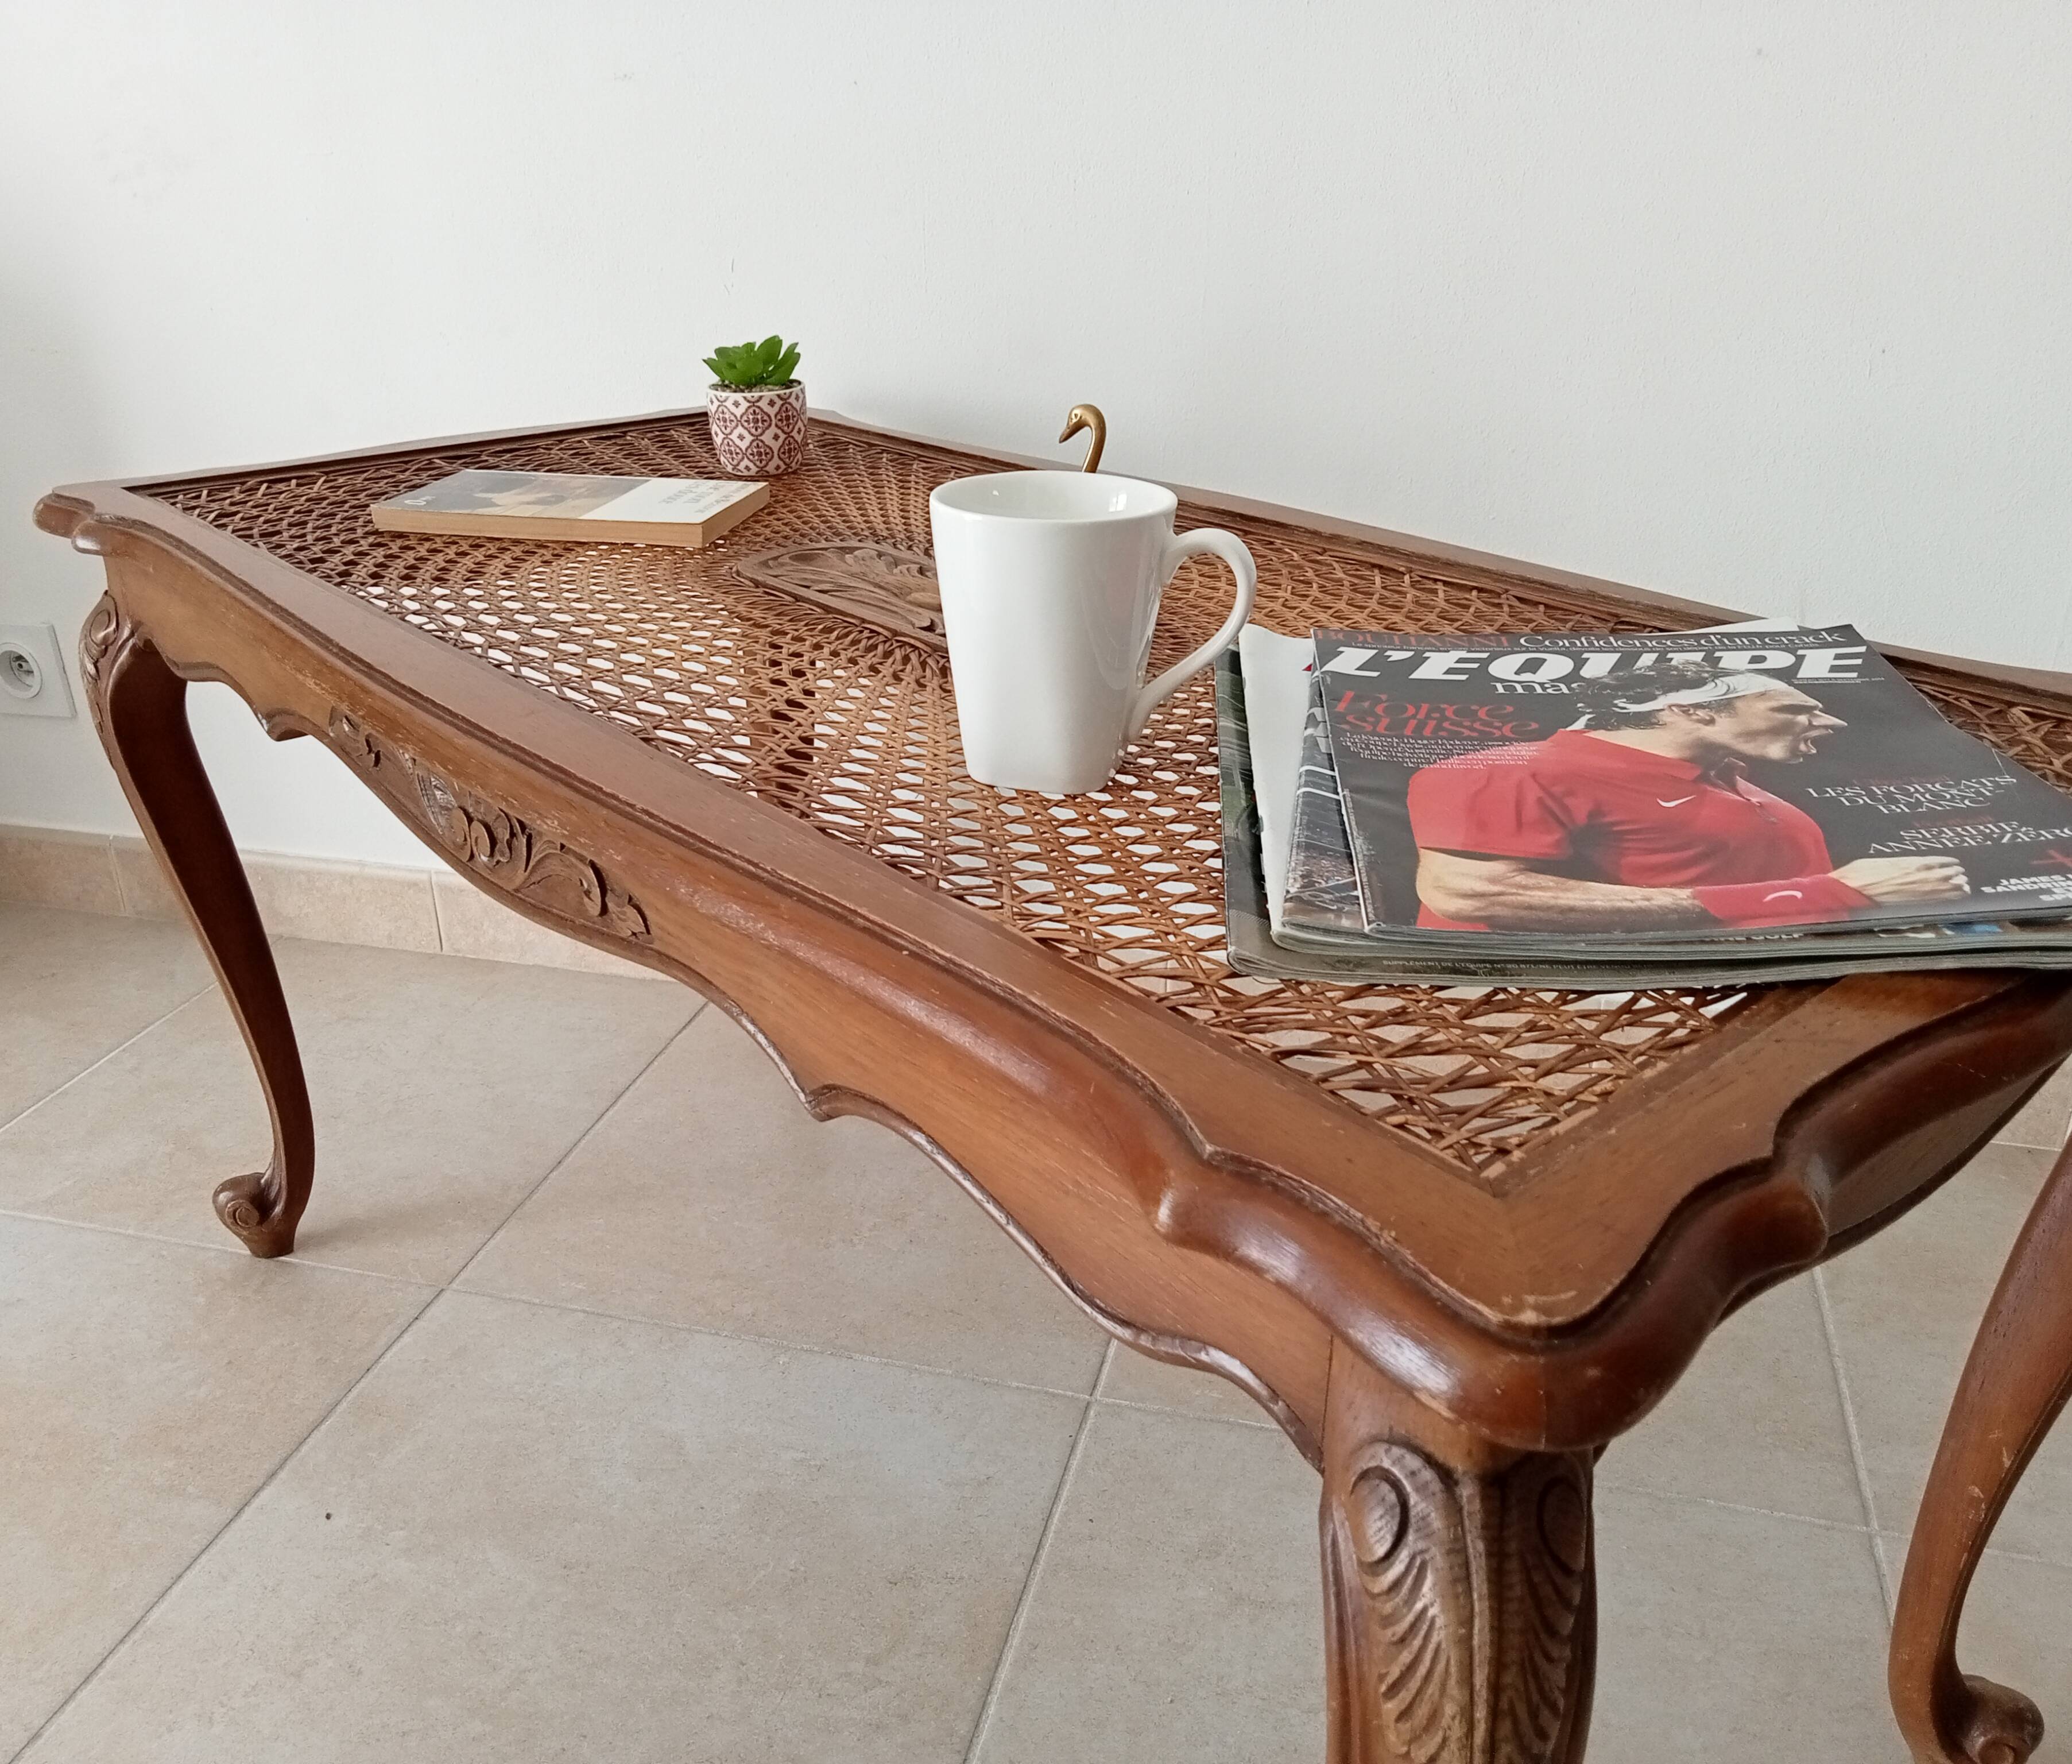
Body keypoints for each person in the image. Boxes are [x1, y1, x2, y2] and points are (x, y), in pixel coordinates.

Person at [1407, 662, 1971, 930]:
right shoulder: (1509, 771)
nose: (1832, 723)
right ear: (1692, 708)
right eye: (1798, 708)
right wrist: (1821, 894)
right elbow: (1472, 897)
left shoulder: (1740, 781)